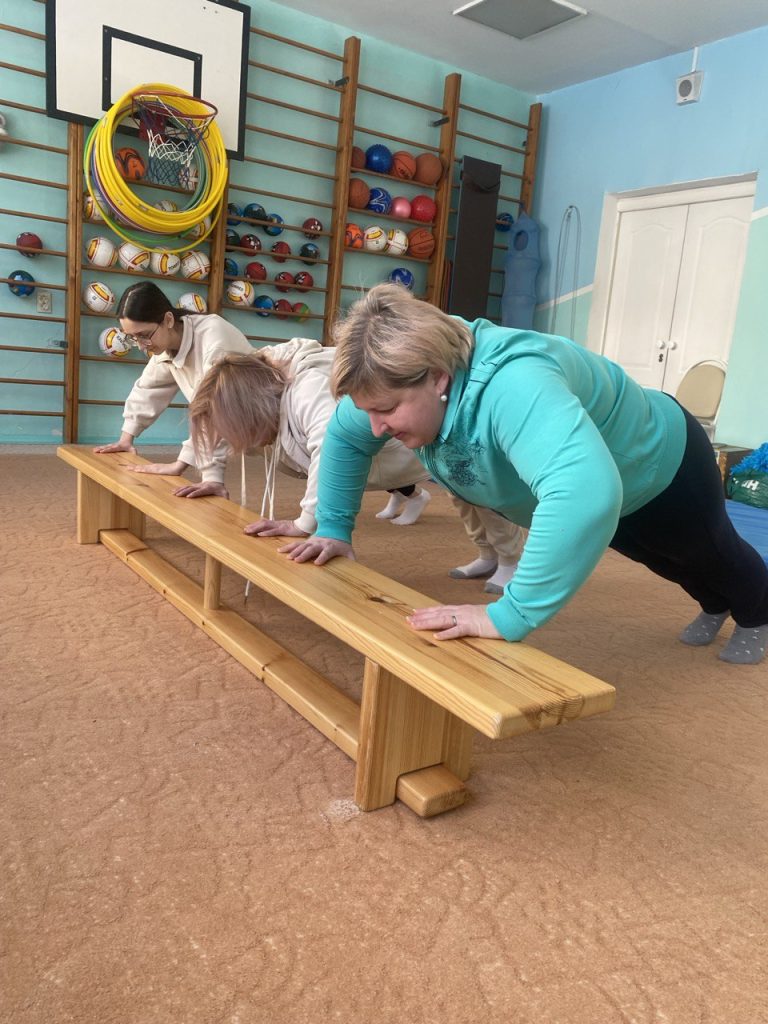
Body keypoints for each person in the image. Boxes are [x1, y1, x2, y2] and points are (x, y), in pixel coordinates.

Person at [280, 283, 768, 666]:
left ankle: (757, 613)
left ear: (438, 378)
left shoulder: (513, 383)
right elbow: (346, 437)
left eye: (386, 410)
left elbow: (583, 494)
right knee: (660, 559)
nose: (376, 426)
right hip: (614, 484)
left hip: (663, 463)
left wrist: (510, 614)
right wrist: (333, 526)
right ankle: (714, 604)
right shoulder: (394, 378)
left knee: (709, 550)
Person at [187, 346, 434, 538]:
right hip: (395, 458)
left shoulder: (308, 389)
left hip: (420, 446)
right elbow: (212, 422)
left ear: (249, 411)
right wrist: (212, 476)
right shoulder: (258, 383)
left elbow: (328, 451)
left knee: (456, 482)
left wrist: (304, 523)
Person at [93, 281, 255, 495]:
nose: (141, 346)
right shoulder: (167, 345)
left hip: (280, 419)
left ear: (168, 319)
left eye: (144, 335)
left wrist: (189, 467)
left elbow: (217, 409)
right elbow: (148, 389)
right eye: (133, 338)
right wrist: (126, 438)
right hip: (249, 424)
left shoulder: (214, 340)